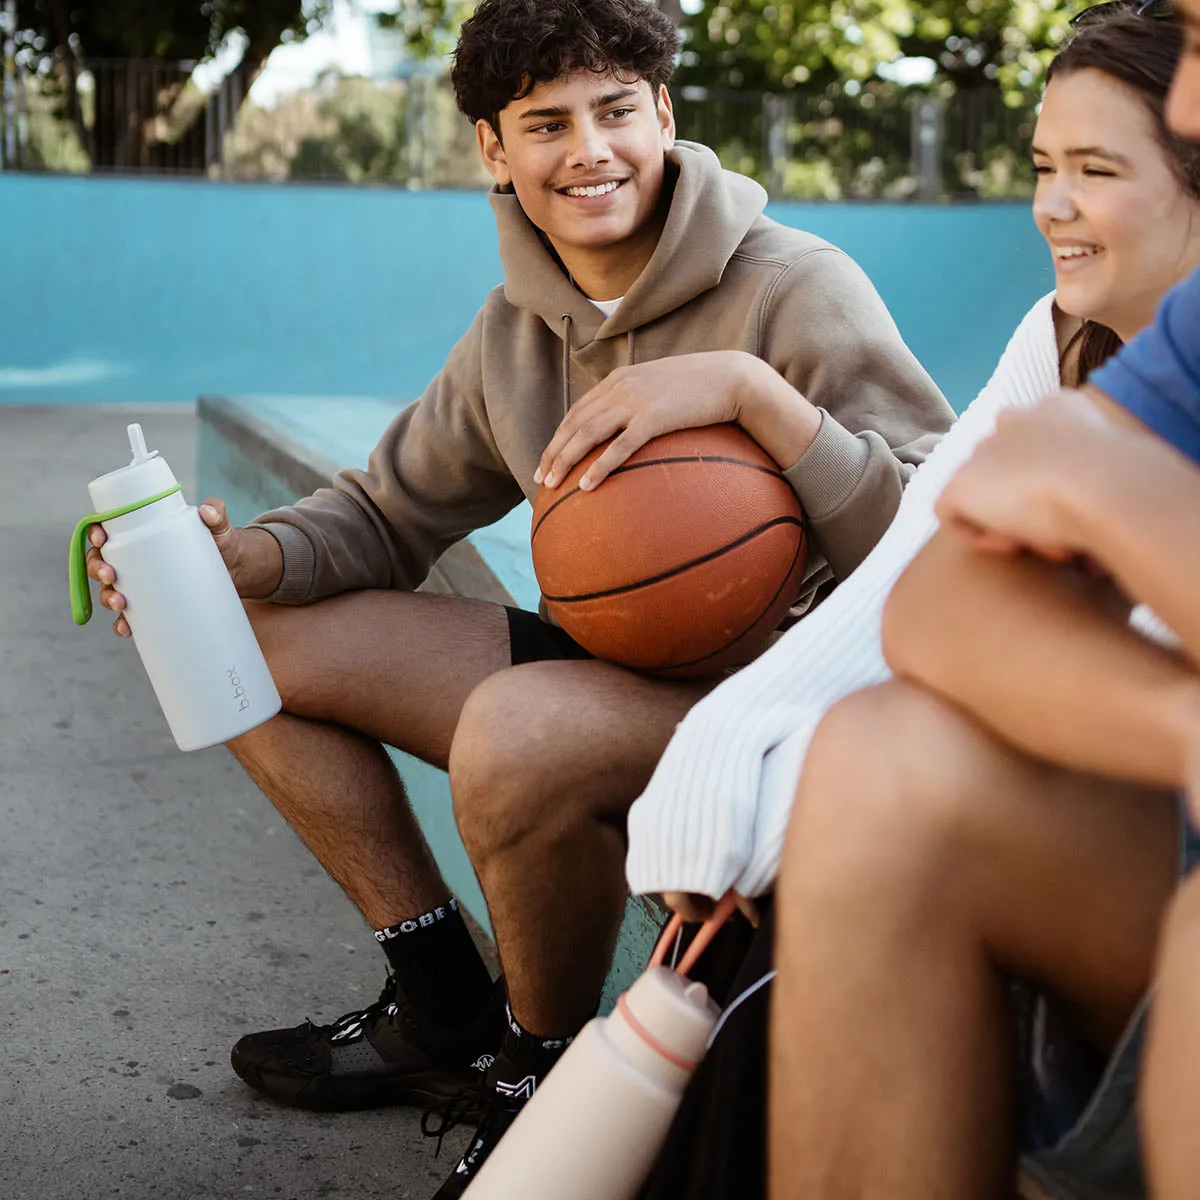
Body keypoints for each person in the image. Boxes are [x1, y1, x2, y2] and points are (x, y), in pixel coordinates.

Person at [85, 0, 952, 1194]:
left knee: (519, 725)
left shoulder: (798, 289)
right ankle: (442, 1004)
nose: (589, 151)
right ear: (495, 149)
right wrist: (238, 565)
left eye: (615, 112)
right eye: (547, 123)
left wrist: (760, 400)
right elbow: (389, 513)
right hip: (622, 668)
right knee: (236, 636)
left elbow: (933, 548)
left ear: (665, 114)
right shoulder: (515, 332)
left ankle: (532, 1075)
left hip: (787, 704)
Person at [610, 6, 1200, 1197]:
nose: (1052, 205)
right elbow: (923, 582)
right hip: (1139, 822)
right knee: (867, 763)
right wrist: (723, 766)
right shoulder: (1099, 345)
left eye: (1096, 170)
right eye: (1044, 168)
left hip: (1145, 853)